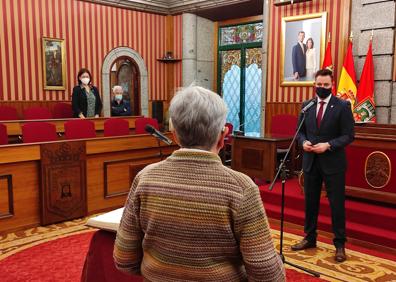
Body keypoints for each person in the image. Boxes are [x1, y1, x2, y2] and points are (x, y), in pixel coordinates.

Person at [114, 86, 285, 281]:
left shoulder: (144, 178)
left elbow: (124, 259)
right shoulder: (241, 188)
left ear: (174, 135)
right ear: (222, 137)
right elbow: (269, 277)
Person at [291, 69, 355, 263]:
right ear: (314, 85)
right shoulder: (307, 106)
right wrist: (303, 143)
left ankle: (340, 245)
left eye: (325, 85)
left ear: (331, 85)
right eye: (318, 85)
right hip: (311, 162)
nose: (322, 88)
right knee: (310, 203)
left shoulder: (342, 106)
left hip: (333, 163)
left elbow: (349, 135)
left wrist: (328, 145)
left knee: (336, 205)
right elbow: (299, 132)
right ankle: (310, 238)